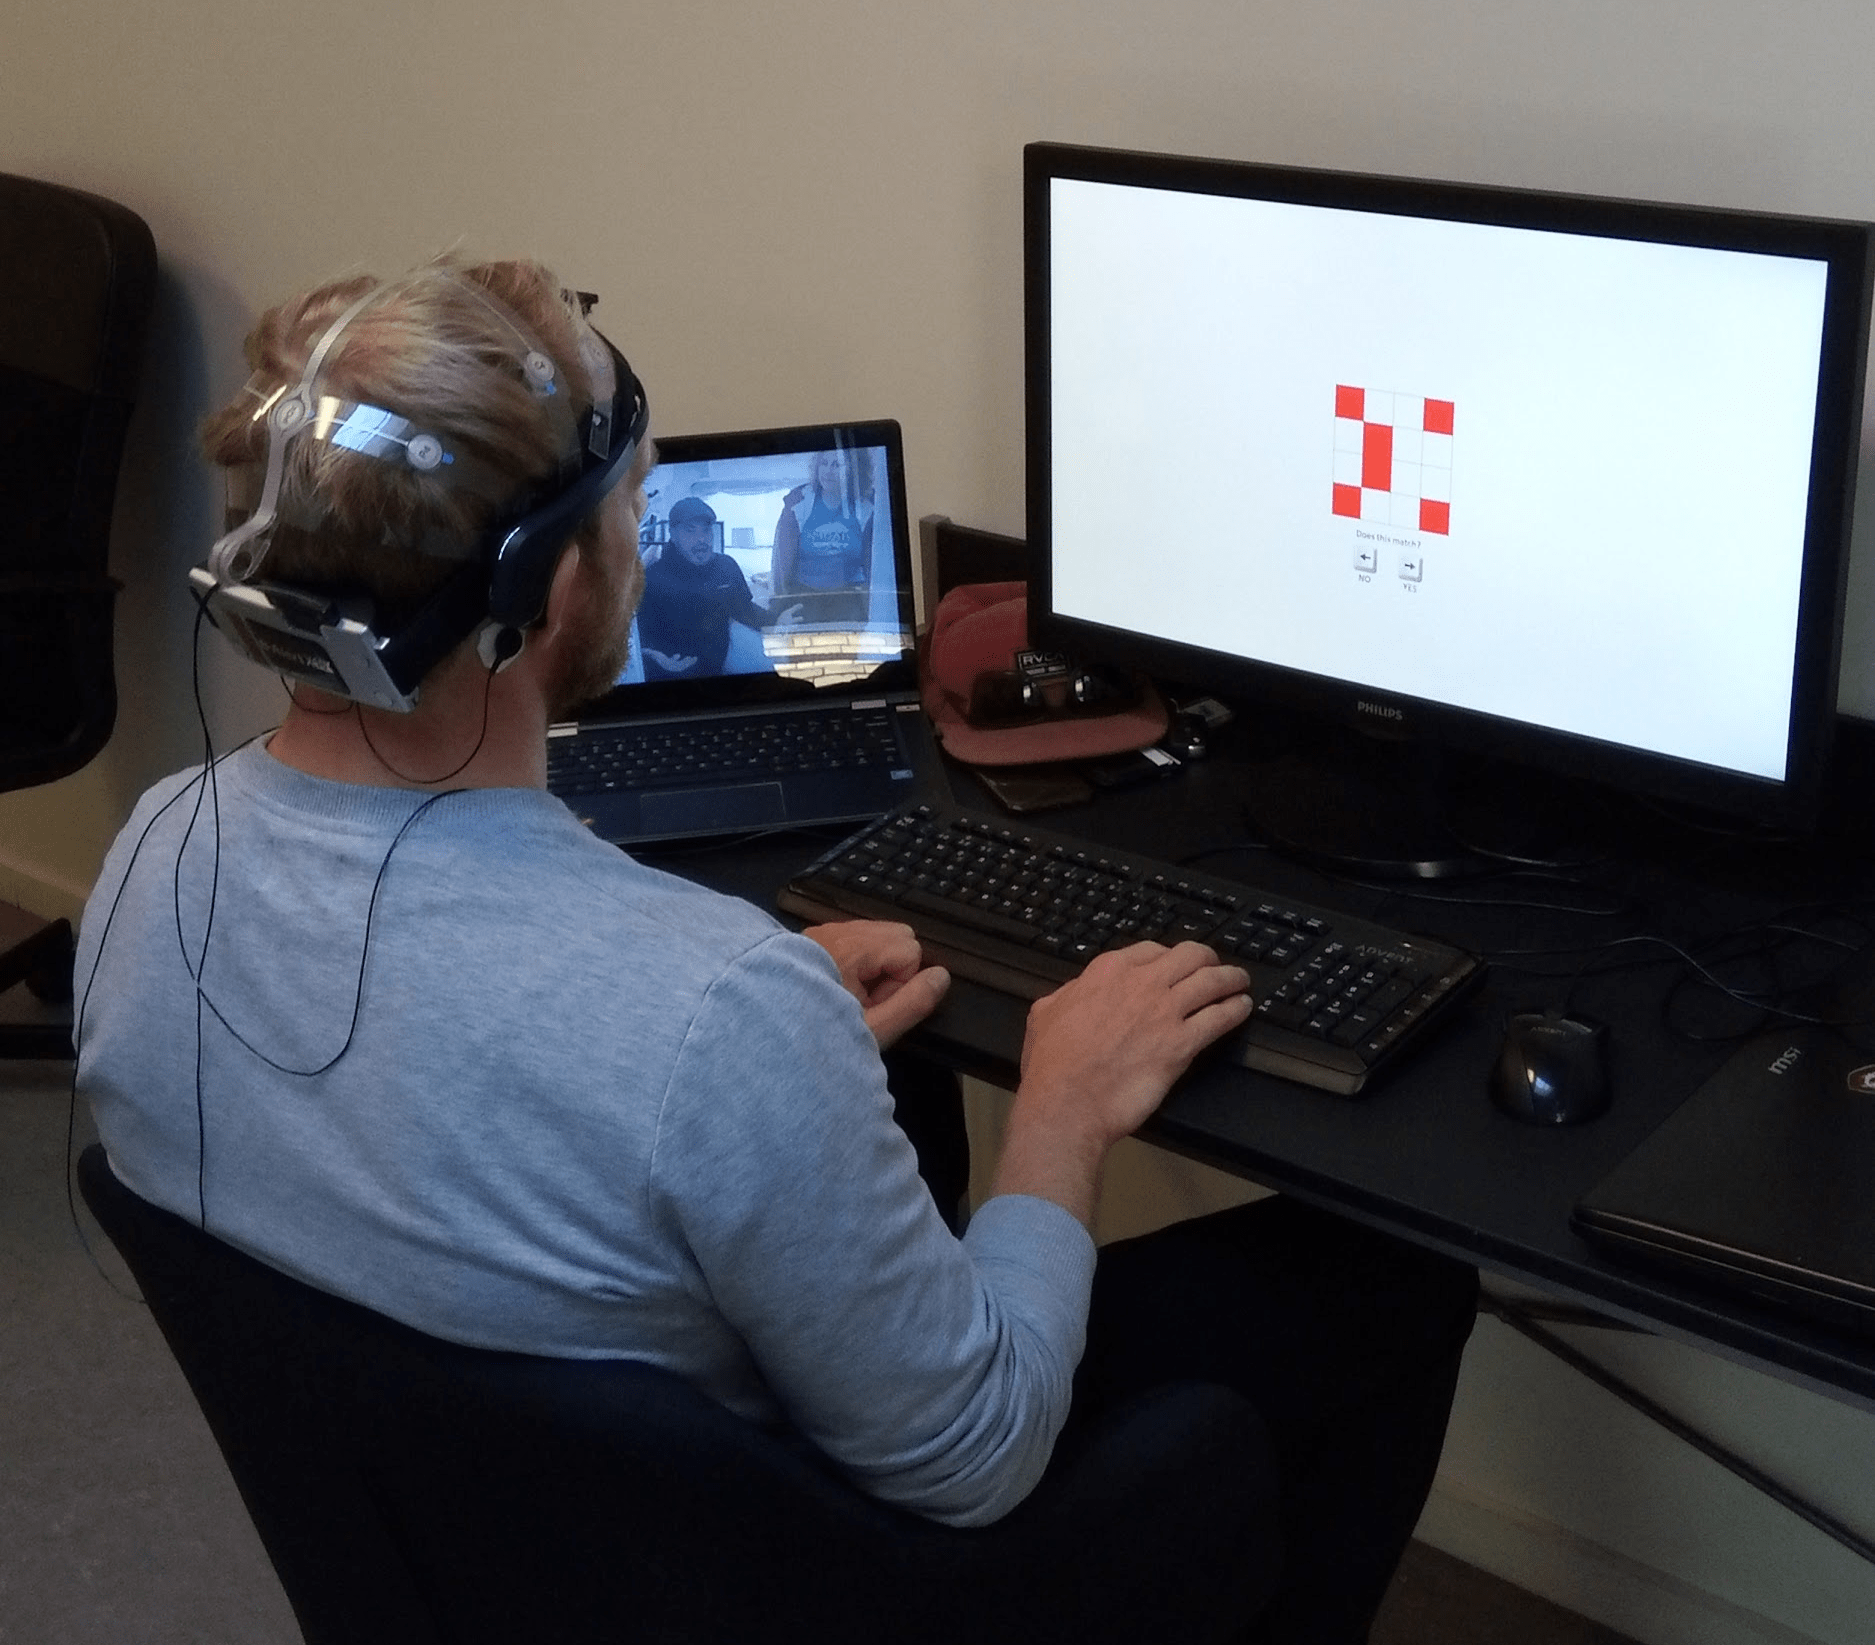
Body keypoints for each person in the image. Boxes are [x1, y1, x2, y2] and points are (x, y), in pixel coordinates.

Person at [74, 257, 1474, 1641]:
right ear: (555, 587)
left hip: (476, 1559)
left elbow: (422, 1112)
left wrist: (746, 1084)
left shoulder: (145, 855)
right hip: (807, 1582)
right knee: (1392, 1280)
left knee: (905, 1096)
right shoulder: (710, 1010)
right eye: (628, 507)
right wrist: (1061, 1107)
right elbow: (977, 1456)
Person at [636, 495, 802, 679]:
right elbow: (638, 635)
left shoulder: (726, 566)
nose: (701, 539)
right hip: (671, 678)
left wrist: (777, 619)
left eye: (706, 530)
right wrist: (651, 657)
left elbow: (745, 611)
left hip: (719, 672)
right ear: (673, 534)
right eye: (690, 531)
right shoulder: (652, 578)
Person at [769, 447, 874, 625]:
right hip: (804, 595)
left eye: (837, 465)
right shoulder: (799, 502)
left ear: (853, 469)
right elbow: (781, 565)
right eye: (824, 464)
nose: (828, 471)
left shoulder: (866, 507)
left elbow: (872, 566)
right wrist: (777, 609)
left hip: (847, 598)